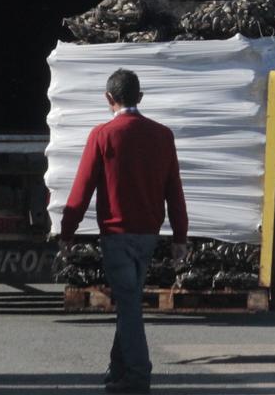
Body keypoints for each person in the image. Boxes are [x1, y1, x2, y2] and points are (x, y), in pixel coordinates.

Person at [59, 69, 188, 394]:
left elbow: (82, 188)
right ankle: (117, 369)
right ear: (140, 98)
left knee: (129, 305)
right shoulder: (163, 135)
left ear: (108, 98)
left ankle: (137, 374)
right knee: (129, 301)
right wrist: (180, 237)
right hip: (148, 234)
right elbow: (175, 190)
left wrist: (67, 232)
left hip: (116, 234)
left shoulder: (102, 136)